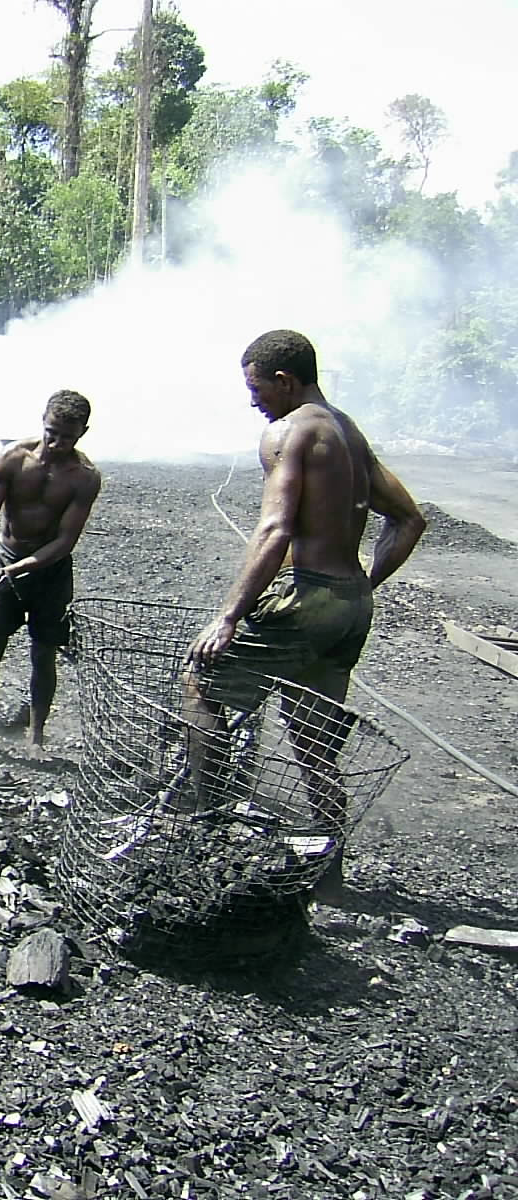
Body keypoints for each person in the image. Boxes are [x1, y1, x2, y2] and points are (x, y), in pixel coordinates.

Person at [183, 330, 426, 893]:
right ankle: (331, 869)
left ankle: (205, 828)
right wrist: (362, 584)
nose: (253, 400)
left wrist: (228, 616)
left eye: (256, 388)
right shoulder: (347, 431)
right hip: (349, 605)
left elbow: (274, 528)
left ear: (285, 381)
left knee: (201, 683)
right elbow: (408, 519)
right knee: (314, 741)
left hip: (305, 595)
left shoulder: (287, 433)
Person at [0, 390, 102, 748]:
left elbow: (65, 541)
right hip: (5, 562)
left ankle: (36, 735)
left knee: (43, 653)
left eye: (67, 437)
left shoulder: (84, 477)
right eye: (51, 432)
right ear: (43, 420)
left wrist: (19, 570)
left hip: (50, 573)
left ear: (82, 433)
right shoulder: (11, 459)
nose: (56, 443)